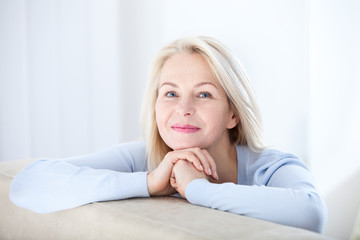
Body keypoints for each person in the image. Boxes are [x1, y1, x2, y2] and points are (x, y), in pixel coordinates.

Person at [9, 36, 327, 233]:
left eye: (203, 95)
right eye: (171, 93)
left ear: (233, 113)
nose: (183, 108)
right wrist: (148, 182)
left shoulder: (272, 166)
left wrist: (197, 189)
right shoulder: (143, 156)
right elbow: (29, 183)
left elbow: (311, 214)